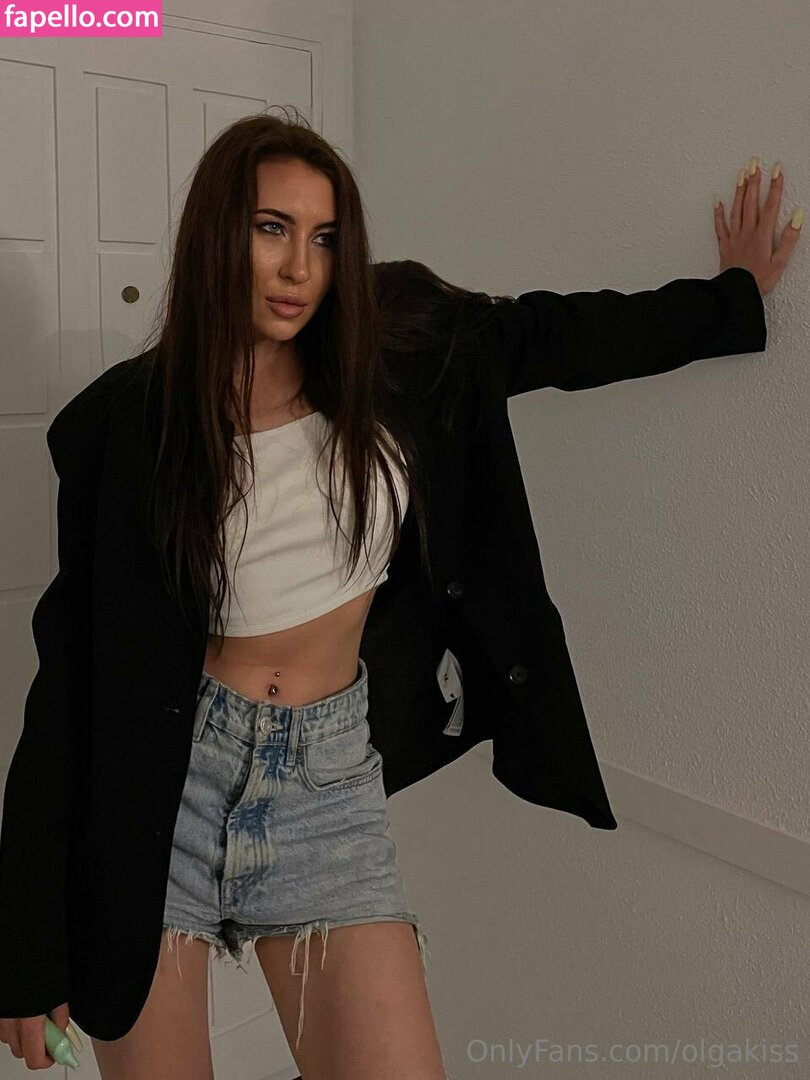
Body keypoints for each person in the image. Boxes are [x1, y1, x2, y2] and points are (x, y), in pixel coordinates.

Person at [0, 109, 801, 1078]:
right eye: (271, 228)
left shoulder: (404, 346)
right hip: (161, 792)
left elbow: (557, 334)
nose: (299, 267)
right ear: (215, 235)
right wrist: (24, 945)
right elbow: (70, 678)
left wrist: (728, 298)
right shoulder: (123, 424)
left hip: (326, 784)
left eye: (324, 237)